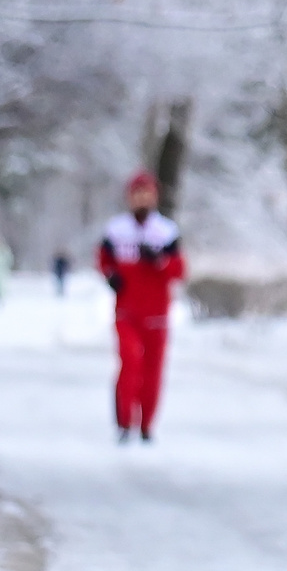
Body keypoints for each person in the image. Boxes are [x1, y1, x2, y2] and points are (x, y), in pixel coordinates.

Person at [97, 170, 185, 441]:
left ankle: (146, 424)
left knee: (152, 371)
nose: (142, 200)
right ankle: (124, 421)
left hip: (157, 315)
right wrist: (111, 276)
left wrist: (159, 260)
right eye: (137, 195)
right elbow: (103, 260)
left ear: (155, 197)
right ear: (129, 198)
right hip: (127, 313)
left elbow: (179, 271)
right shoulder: (116, 230)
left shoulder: (166, 232)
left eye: (147, 194)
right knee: (130, 362)